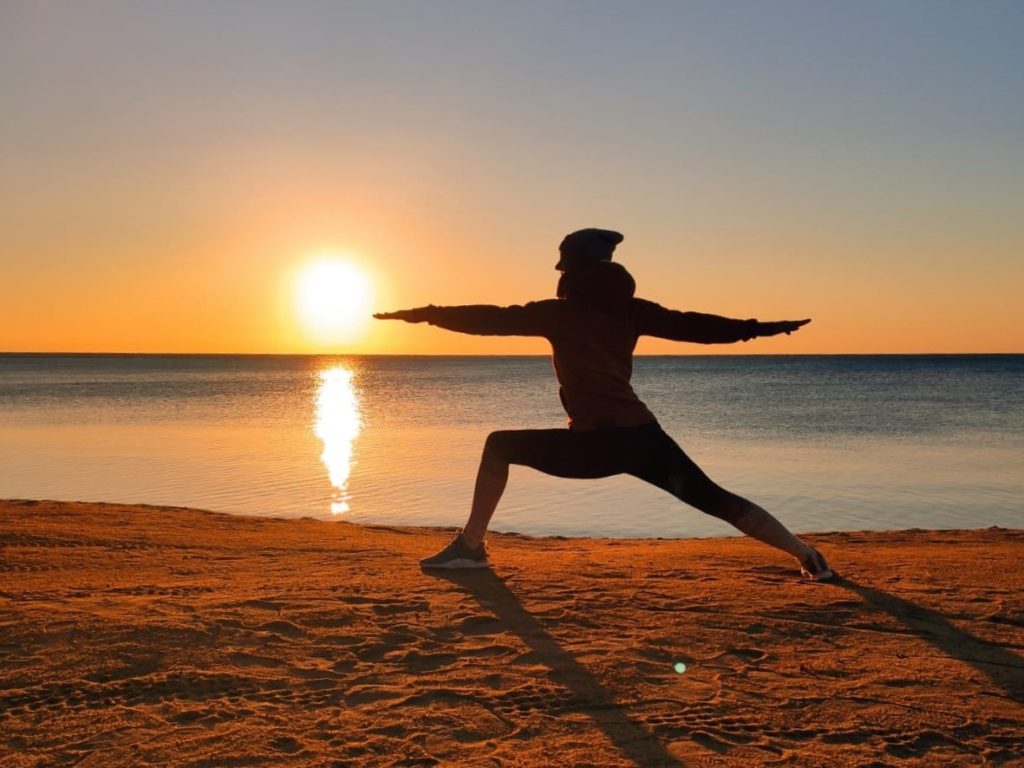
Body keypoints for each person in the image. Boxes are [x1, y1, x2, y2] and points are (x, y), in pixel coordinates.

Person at [374, 228, 833, 580]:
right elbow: (699, 326)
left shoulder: (560, 313)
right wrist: (759, 328)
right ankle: (807, 556)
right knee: (716, 499)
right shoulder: (632, 311)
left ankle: (471, 547)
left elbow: (489, 320)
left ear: (571, 269)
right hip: (642, 436)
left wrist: (425, 314)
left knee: (499, 445)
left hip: (595, 444)